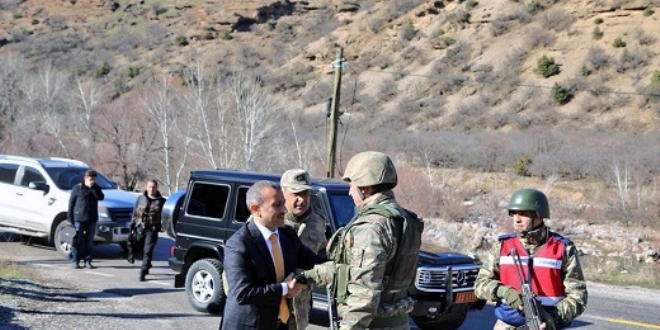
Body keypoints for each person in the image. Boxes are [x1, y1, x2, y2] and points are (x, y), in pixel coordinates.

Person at [304, 151, 423, 330]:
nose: (350, 192)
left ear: (365, 188)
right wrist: (309, 275)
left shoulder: (371, 227)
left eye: (352, 185)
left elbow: (364, 293)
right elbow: (356, 270)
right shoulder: (404, 220)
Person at [474, 188, 588, 330]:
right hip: (507, 325)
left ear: (539, 215)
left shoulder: (563, 248)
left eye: (523, 214)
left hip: (549, 325)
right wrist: (503, 291)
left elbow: (578, 295)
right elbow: (480, 285)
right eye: (514, 213)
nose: (517, 218)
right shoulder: (502, 246)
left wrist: (553, 317)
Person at [220, 180, 325, 330]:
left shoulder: (287, 235)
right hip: (250, 325)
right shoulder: (239, 244)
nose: (284, 210)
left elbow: (312, 261)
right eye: (277, 205)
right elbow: (242, 292)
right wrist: (285, 289)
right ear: (256, 209)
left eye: (283, 203)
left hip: (282, 323)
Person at [280, 169, 328, 330]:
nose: (302, 199)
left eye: (306, 193)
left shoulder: (318, 221)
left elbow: (322, 254)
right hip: (273, 305)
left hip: (300, 306)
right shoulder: (269, 219)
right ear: (283, 193)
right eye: (296, 194)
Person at [68, 169, 104, 269]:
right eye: (90, 179)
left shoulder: (96, 188)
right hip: (79, 218)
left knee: (89, 242)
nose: (92, 180)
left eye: (94, 179)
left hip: (91, 218)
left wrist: (93, 188)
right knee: (77, 241)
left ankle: (88, 261)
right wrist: (70, 219)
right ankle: (75, 261)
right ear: (85, 178)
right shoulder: (77, 188)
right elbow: (71, 204)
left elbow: (101, 197)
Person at [131, 179, 166, 282]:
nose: (152, 189)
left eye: (153, 187)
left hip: (153, 229)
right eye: (150, 187)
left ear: (157, 188)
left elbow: (166, 216)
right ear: (146, 188)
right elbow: (134, 213)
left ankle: (143, 271)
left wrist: (165, 226)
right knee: (140, 249)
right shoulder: (140, 198)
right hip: (141, 228)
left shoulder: (162, 201)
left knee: (148, 251)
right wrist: (132, 228)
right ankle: (147, 263)